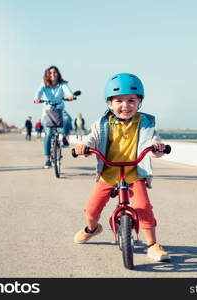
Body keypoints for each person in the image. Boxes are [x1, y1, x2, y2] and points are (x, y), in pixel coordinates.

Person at [73, 73, 170, 262]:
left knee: (142, 206)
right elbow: (91, 138)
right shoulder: (102, 124)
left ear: (139, 102)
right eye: (119, 101)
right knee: (92, 209)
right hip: (109, 173)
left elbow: (153, 141)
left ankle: (152, 244)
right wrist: (84, 147)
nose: (125, 105)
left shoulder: (145, 124)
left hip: (134, 173)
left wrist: (158, 148)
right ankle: (91, 229)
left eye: (131, 100)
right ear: (109, 103)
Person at [34, 65, 75, 168]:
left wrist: (70, 96)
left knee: (67, 119)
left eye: (55, 72)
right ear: (47, 75)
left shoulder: (62, 84)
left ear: (58, 74)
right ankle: (47, 159)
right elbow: (38, 93)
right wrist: (37, 98)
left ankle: (65, 137)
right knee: (48, 134)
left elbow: (68, 91)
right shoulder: (44, 85)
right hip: (47, 111)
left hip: (60, 110)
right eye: (50, 73)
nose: (53, 74)